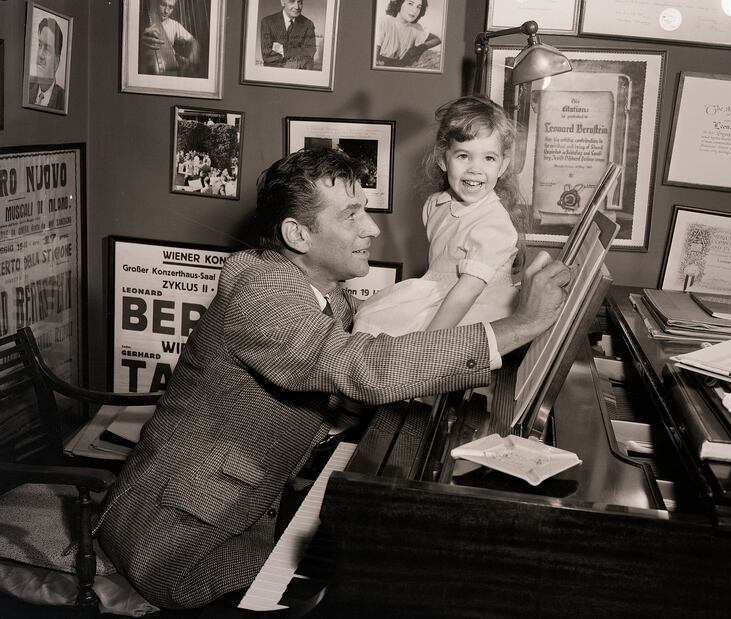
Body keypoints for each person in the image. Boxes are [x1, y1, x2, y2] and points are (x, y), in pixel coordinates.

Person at [98, 147, 570, 609]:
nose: (372, 227)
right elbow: (361, 367)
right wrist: (521, 324)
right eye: (351, 215)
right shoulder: (260, 288)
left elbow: (367, 357)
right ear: (297, 235)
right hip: (183, 533)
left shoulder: (326, 290)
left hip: (249, 503)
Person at [354, 95, 522, 338]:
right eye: (463, 156)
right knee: (370, 321)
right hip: (437, 297)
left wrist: (429, 342)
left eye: (489, 158)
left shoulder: (494, 225)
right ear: (443, 159)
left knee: (383, 332)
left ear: (502, 166)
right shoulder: (436, 205)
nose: (475, 168)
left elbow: (467, 292)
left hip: (474, 313)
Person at [139, 0, 200, 76]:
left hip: (170, 70)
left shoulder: (174, 25)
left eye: (171, 7)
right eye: (163, 4)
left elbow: (194, 41)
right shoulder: (142, 20)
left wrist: (191, 59)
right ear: (156, 3)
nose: (166, 11)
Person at [375, 0, 441, 68]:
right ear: (399, 3)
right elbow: (373, 57)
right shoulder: (384, 22)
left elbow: (437, 40)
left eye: (419, 7)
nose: (414, 10)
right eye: (410, 4)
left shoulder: (417, 28)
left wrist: (418, 49)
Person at [261, 0, 316, 70]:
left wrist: (281, 51)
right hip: (273, 72)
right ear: (282, 2)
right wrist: (296, 53)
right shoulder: (267, 22)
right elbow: (267, 54)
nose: (297, 7)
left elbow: (308, 54)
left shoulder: (308, 24)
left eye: (300, 2)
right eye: (292, 1)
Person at [28, 17, 65, 109]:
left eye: (47, 49)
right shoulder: (26, 88)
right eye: (39, 45)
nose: (40, 55)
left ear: (56, 62)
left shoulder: (63, 100)